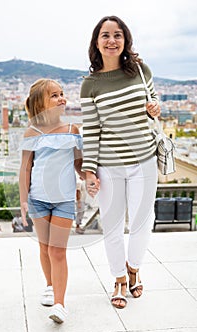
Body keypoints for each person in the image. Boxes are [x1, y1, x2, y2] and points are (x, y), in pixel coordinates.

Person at [80, 16, 161, 309]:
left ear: (125, 40)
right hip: (108, 165)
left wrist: (154, 109)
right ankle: (119, 278)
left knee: (144, 221)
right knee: (112, 226)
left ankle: (134, 268)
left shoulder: (140, 70)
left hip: (144, 160)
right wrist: (89, 171)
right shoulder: (90, 85)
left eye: (117, 35)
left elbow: (153, 105)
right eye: (105, 35)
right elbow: (91, 130)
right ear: (97, 42)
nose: (112, 40)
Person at [19, 78, 85, 323]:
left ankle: (60, 303)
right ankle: (49, 285)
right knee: (44, 248)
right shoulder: (31, 133)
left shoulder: (72, 131)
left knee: (58, 251)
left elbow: (79, 164)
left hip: (64, 200)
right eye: (54, 96)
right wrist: (23, 200)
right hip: (38, 200)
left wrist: (89, 177)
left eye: (62, 94)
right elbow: (25, 169)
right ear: (40, 105)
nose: (61, 99)